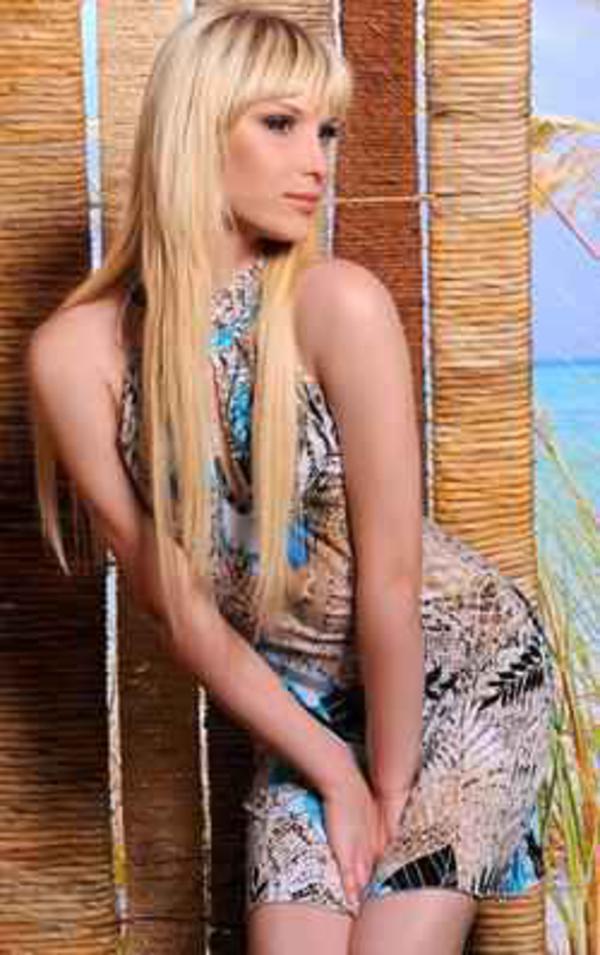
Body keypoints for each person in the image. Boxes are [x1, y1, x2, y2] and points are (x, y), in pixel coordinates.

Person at [26, 4, 555, 953]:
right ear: (197, 129)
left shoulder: (337, 305)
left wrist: (385, 788)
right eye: (281, 124)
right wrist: (333, 771)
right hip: (305, 713)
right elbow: (183, 613)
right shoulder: (76, 357)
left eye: (327, 131)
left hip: (456, 673)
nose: (316, 160)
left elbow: (391, 578)